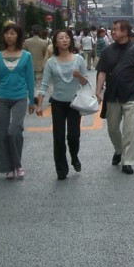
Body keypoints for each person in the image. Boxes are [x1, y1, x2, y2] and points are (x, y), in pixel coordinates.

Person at [95, 20, 134, 175]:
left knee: (129, 130)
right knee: (112, 128)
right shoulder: (107, 51)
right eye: (112, 29)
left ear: (125, 32)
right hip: (112, 95)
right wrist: (98, 90)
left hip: (131, 95)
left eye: (115, 30)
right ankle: (119, 150)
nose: (112, 32)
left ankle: (128, 161)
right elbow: (102, 72)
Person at [36, 29, 88, 180]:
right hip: (57, 103)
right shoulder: (51, 62)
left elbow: (85, 83)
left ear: (70, 40)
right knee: (58, 137)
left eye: (67, 37)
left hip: (74, 103)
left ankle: (74, 156)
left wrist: (79, 76)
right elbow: (44, 85)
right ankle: (61, 169)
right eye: (61, 38)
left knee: (73, 135)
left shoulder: (79, 59)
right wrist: (39, 105)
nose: (64, 40)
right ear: (56, 42)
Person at [0, 23, 36, 180]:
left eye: (12, 33)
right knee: (2, 134)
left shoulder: (26, 56)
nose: (9, 36)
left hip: (20, 98)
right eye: (7, 33)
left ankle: (18, 164)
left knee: (14, 130)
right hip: (1, 98)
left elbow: (30, 79)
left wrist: (32, 100)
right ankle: (7, 167)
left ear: (18, 36)